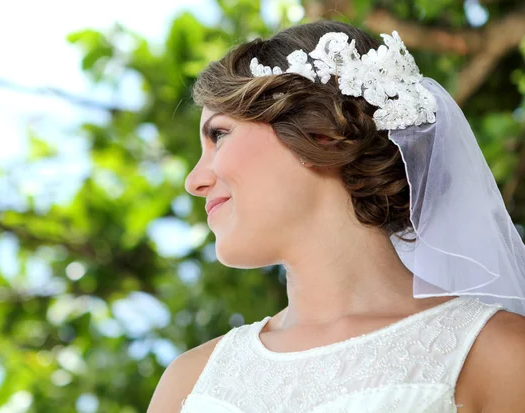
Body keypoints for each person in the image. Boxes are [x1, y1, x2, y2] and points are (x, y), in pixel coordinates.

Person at [147, 20, 525, 413]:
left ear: (320, 131)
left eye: (219, 135)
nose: (194, 181)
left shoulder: (498, 357)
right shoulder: (190, 383)